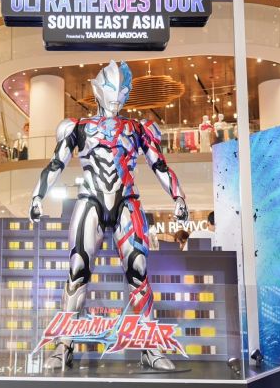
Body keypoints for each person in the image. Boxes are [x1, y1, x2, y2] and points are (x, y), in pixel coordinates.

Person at [29, 60, 188, 371]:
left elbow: (159, 165)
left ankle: (149, 347)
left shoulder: (138, 129)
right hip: (90, 199)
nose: (117, 97)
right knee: (78, 269)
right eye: (112, 90)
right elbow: (56, 164)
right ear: (97, 89)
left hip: (127, 200)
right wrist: (37, 195)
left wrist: (178, 196)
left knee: (138, 270)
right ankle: (64, 345)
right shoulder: (77, 127)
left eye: (122, 92)